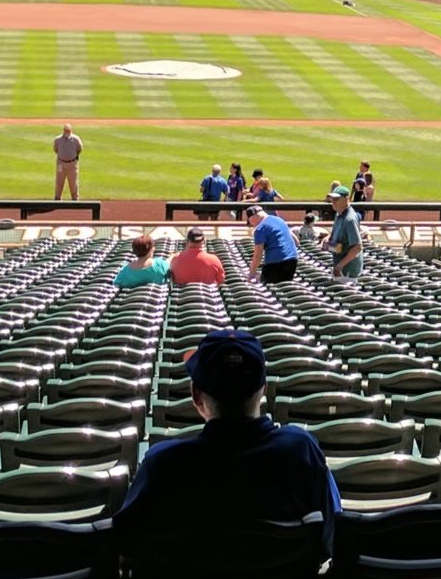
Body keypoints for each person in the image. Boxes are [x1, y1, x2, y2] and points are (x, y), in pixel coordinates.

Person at [114, 331, 340, 559]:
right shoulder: (302, 449)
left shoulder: (161, 464)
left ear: (196, 396)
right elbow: (332, 534)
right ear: (263, 388)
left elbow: (127, 548)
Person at [249, 203, 300, 283]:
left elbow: (258, 255)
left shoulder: (260, 228)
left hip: (275, 263)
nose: (252, 225)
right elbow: (296, 242)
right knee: (286, 288)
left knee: (265, 287)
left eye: (250, 222)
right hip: (292, 260)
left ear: (252, 218)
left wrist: (251, 273)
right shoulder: (280, 220)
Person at [326, 183, 364, 278]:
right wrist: (327, 240)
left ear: (346, 199)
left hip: (348, 272)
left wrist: (339, 266)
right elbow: (338, 241)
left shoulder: (350, 219)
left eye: (336, 199)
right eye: (332, 199)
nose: (333, 202)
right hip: (340, 264)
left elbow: (357, 247)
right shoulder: (338, 214)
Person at [53, 125, 83, 200]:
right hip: (61, 164)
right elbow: (55, 149)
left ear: (71, 130)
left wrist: (72, 157)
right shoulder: (58, 139)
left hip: (72, 164)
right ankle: (57, 198)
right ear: (63, 130)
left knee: (73, 182)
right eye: (66, 130)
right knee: (59, 181)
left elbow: (80, 149)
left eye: (68, 130)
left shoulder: (76, 139)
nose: (67, 131)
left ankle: (75, 199)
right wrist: (62, 156)